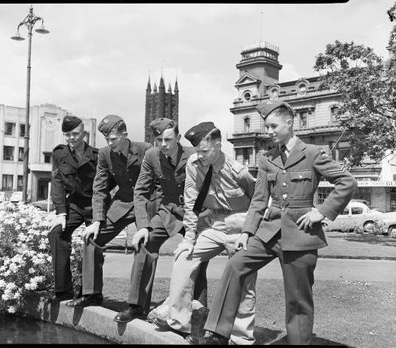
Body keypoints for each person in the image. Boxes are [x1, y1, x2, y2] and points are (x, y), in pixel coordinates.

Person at [197, 100, 358, 345]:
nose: (268, 131)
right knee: (235, 266)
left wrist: (322, 211)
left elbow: (347, 182)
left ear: (289, 122)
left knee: (297, 298)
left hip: (301, 234)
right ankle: (218, 334)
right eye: (266, 126)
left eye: (273, 126)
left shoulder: (312, 153)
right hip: (268, 232)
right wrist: (247, 231)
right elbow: (259, 200)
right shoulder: (266, 158)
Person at [151, 121, 258, 344]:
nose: (201, 155)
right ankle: (179, 322)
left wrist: (247, 231)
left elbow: (258, 202)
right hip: (215, 224)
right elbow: (191, 203)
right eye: (198, 150)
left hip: (240, 225)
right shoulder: (194, 164)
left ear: (218, 144)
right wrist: (189, 238)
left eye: (205, 151)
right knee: (183, 256)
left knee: (243, 276)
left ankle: (241, 337)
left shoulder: (239, 171)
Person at [115, 118, 208, 323]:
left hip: (194, 212)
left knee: (199, 253)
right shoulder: (152, 156)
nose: (163, 144)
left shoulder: (194, 155)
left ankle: (200, 311)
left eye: (168, 139)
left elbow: (207, 187)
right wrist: (142, 226)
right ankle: (136, 306)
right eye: (159, 140)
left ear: (178, 138)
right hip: (168, 210)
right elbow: (140, 191)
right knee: (145, 243)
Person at [66, 114, 153, 307]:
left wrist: (146, 221)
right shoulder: (105, 154)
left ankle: (137, 304)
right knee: (92, 239)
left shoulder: (146, 150)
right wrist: (97, 221)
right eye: (106, 139)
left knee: (144, 244)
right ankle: (92, 294)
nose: (109, 143)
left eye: (113, 139)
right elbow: (99, 187)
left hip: (146, 205)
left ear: (125, 135)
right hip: (121, 204)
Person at [47, 115, 98, 303]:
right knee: (56, 233)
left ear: (84, 133)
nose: (71, 138)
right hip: (74, 205)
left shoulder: (96, 155)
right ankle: (63, 291)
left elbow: (107, 184)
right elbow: (57, 181)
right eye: (67, 134)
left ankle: (89, 293)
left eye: (75, 133)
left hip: (94, 205)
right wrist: (61, 212)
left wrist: (101, 212)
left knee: (92, 240)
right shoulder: (59, 154)